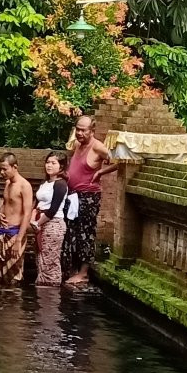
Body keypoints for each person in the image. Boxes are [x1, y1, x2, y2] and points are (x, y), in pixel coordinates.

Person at [63, 115, 117, 285]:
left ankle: (83, 272)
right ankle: (72, 268)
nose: (79, 133)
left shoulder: (98, 147)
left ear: (92, 131)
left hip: (88, 196)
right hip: (73, 195)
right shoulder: (78, 145)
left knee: (85, 233)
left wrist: (101, 172)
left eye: (83, 130)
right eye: (77, 129)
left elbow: (120, 161)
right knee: (71, 231)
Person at [0, 153, 33, 285]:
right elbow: (5, 204)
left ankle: (14, 304)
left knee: (14, 276)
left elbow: (27, 214)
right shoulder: (7, 183)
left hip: (15, 234)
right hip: (3, 232)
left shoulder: (25, 186)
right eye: (0, 169)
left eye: (5, 169)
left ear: (15, 167)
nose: (2, 172)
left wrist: (18, 240)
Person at [32, 152, 71, 287]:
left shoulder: (61, 184)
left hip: (53, 223)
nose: (49, 165)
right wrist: (33, 220)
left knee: (50, 259)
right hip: (39, 222)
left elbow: (53, 209)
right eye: (48, 162)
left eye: (53, 163)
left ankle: (51, 290)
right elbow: (36, 203)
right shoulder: (44, 183)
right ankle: (42, 286)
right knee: (41, 257)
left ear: (61, 167)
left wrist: (38, 223)